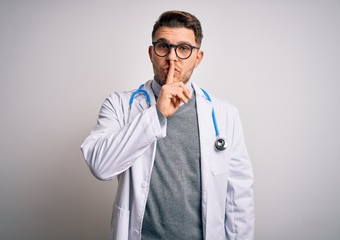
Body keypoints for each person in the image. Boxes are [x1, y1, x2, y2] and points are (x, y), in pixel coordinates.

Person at [81, 10, 254, 240]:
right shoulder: (120, 104)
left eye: (183, 49)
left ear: (198, 57)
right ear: (151, 53)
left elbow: (238, 198)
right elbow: (100, 166)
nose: (172, 58)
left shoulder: (225, 114)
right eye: (164, 46)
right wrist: (156, 114)